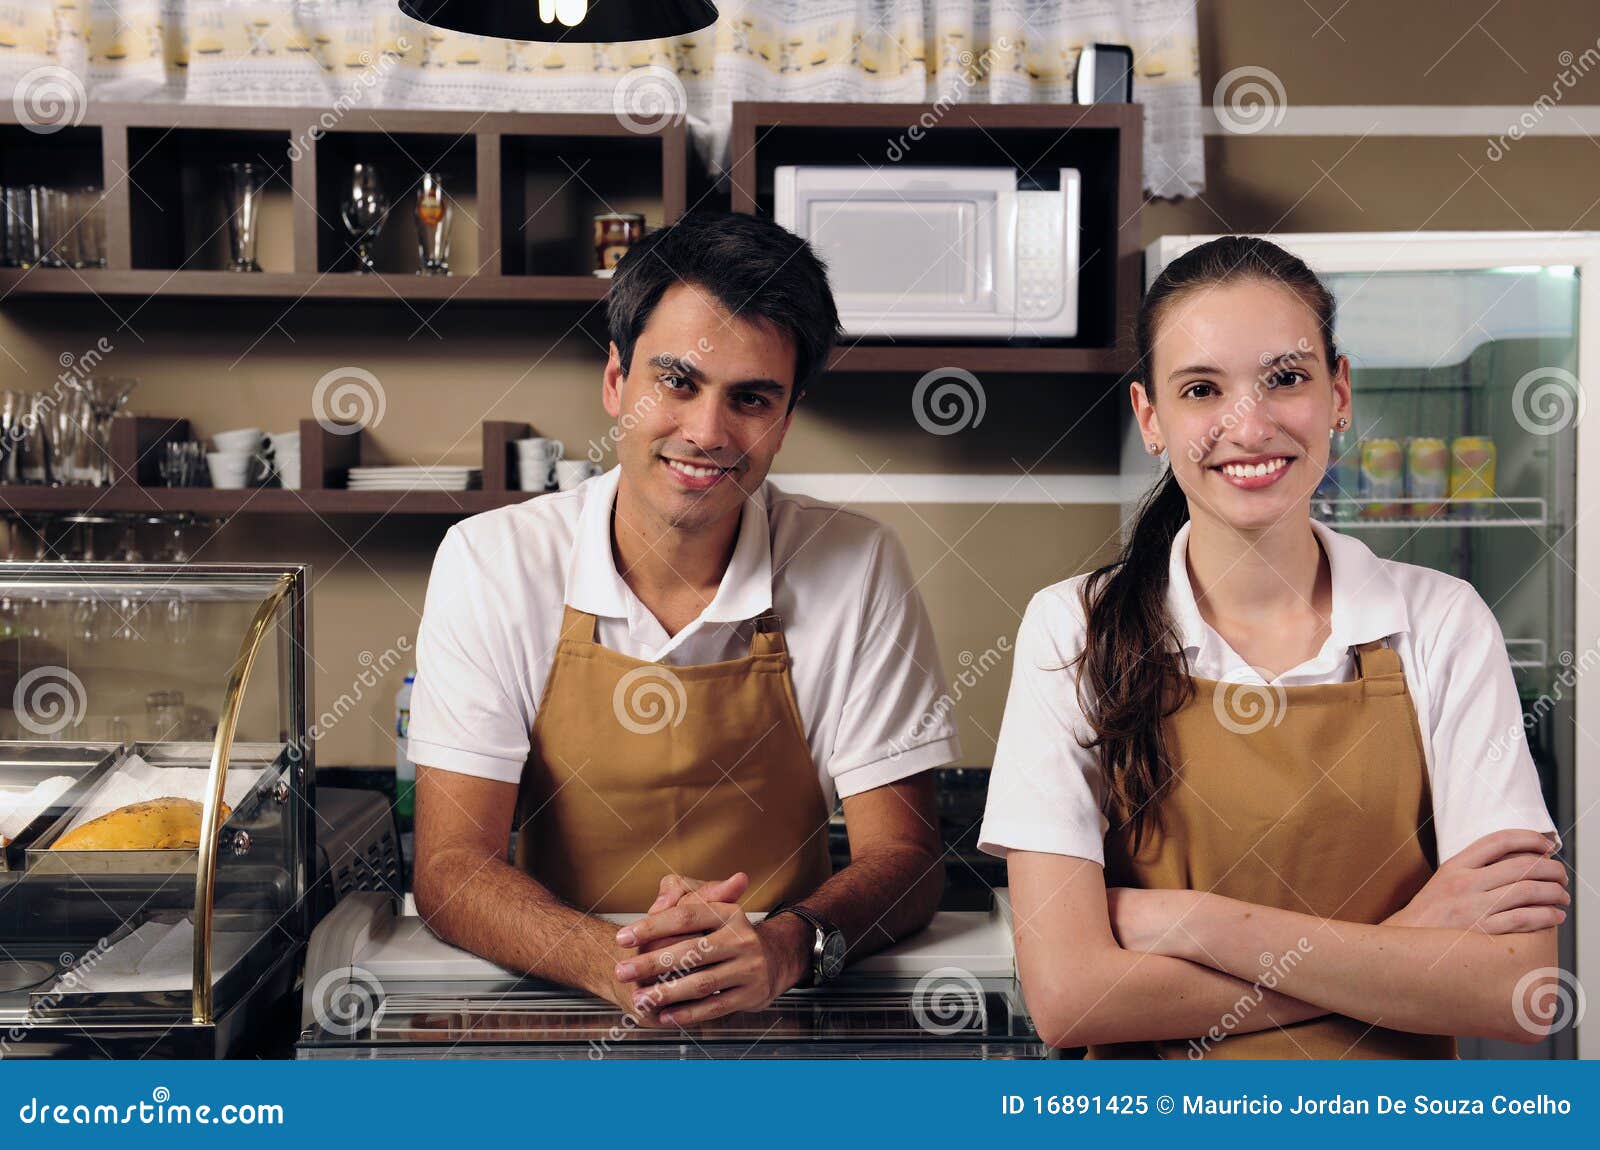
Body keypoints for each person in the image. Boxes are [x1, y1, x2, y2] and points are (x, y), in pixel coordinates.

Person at [979, 235, 1568, 1059]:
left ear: (1340, 393)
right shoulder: (1072, 627)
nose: (1248, 426)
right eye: (1201, 389)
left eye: (1285, 379)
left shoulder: (1443, 623)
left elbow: (1516, 989)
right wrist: (1404, 944)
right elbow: (1073, 999)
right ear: (1152, 418)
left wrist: (1190, 921)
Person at [407, 212, 957, 1028]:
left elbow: (906, 858)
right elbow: (452, 867)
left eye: (751, 398)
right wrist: (617, 963)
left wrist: (787, 947)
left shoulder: (859, 564)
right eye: (677, 382)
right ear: (614, 381)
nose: (707, 432)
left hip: (784, 1007)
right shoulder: (491, 562)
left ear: (787, 416)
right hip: (558, 999)